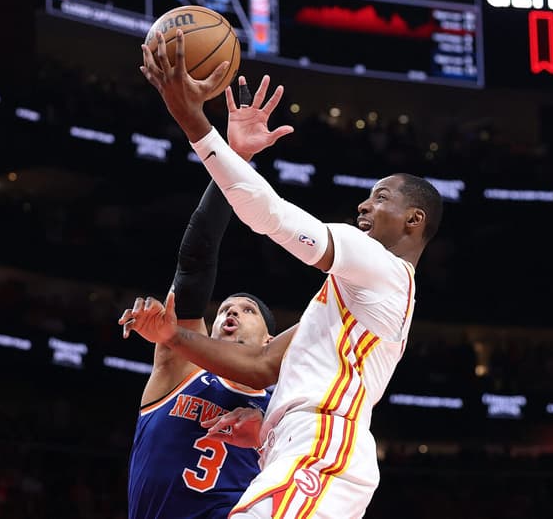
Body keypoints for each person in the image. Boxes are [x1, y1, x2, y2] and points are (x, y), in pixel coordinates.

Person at [121, 29, 444, 519]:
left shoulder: (381, 267)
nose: (364, 203)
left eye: (380, 197)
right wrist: (267, 427)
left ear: (413, 221)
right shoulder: (350, 298)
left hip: (320, 446)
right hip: (297, 451)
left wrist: (192, 120)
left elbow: (270, 215)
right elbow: (264, 365)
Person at [127, 80, 296, 519]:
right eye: (224, 309)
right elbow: (196, 257)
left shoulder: (281, 405)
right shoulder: (181, 364)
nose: (229, 313)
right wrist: (235, 160)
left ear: (269, 340)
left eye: (246, 310)